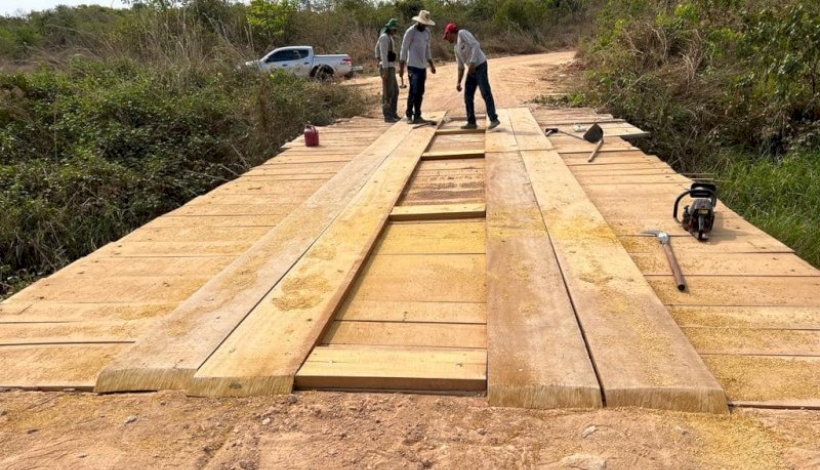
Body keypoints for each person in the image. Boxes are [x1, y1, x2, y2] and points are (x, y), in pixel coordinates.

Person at [442, 23, 500, 130]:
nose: (446, 39)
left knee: (485, 91)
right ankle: (471, 122)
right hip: (471, 69)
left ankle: (494, 119)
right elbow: (460, 67)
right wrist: (458, 82)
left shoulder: (462, 33)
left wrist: (473, 62)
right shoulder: (456, 48)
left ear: (450, 33)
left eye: (447, 36)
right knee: (468, 95)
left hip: (480, 65)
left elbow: (476, 45)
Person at [399, 10, 437, 124]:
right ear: (419, 22)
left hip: (422, 66)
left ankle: (418, 115)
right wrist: (401, 66)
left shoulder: (427, 32)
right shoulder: (411, 31)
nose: (424, 25)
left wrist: (431, 64)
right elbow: (404, 48)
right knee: (413, 90)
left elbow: (427, 49)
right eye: (423, 23)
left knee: (420, 91)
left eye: (426, 24)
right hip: (412, 66)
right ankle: (409, 114)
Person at [375, 18, 401, 123]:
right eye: (393, 29)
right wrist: (385, 69)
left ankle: (393, 113)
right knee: (388, 92)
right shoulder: (384, 38)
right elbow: (383, 55)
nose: (394, 31)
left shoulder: (390, 38)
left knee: (395, 91)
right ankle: (388, 115)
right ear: (389, 29)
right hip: (386, 67)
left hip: (390, 66)